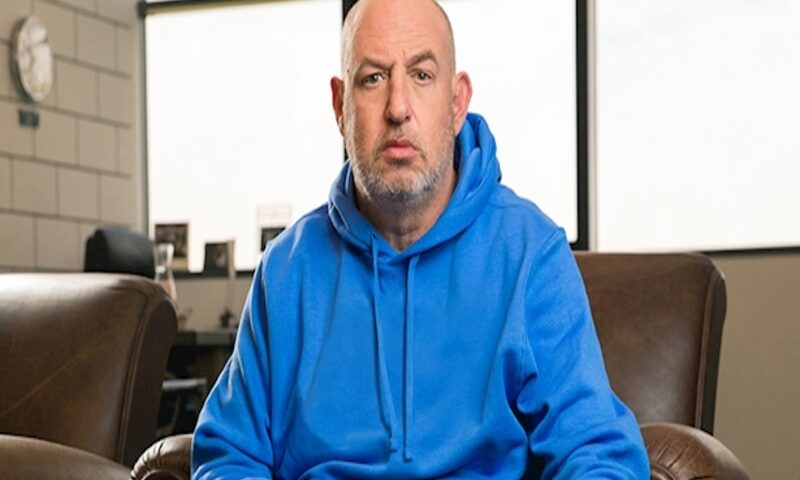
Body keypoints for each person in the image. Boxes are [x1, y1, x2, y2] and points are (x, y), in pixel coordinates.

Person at [192, 0, 649, 478]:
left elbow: (597, 453)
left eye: (422, 75)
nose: (397, 108)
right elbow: (229, 455)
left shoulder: (530, 253)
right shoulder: (287, 271)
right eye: (373, 78)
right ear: (340, 106)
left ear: (457, 102)